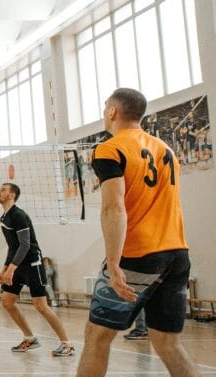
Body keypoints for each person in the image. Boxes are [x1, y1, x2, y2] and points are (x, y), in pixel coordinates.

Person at [77, 88, 199, 377]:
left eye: (105, 105)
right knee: (168, 343)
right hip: (177, 254)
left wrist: (114, 262)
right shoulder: (165, 149)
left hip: (139, 254)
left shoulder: (110, 148)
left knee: (97, 337)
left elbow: (114, 208)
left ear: (112, 112)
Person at [0, 183, 75, 357]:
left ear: (12, 195)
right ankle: (30, 339)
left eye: (3, 190)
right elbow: (12, 247)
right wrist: (4, 269)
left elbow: (25, 244)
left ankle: (67, 344)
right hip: (18, 265)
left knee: (41, 306)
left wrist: (11, 269)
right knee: (7, 301)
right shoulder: (4, 218)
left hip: (32, 264)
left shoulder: (18, 215)